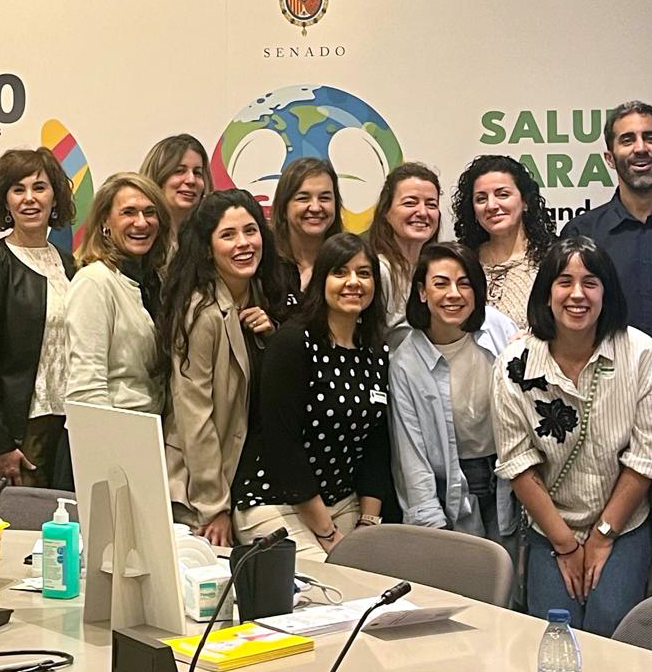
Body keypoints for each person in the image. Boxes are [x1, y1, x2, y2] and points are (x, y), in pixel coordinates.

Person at [493, 236, 652, 636]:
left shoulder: (640, 353)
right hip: (550, 524)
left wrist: (603, 537)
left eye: (590, 282)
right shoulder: (514, 364)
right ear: (546, 292)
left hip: (622, 524)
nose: (577, 294)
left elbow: (646, 457)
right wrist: (566, 544)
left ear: (607, 292)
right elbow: (518, 464)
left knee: (611, 626)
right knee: (555, 632)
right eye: (564, 282)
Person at [235, 233, 396, 558]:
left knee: (373, 578)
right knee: (331, 583)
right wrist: (327, 533)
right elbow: (282, 445)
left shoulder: (376, 352)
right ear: (322, 280)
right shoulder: (293, 343)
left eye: (364, 273)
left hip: (344, 504)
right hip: (277, 502)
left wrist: (368, 523)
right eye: (340, 272)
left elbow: (376, 446)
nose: (353, 282)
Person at [159, 190, 280, 547]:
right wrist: (214, 507)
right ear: (207, 248)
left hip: (244, 480)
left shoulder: (258, 295)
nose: (244, 243)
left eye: (251, 231)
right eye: (228, 235)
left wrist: (271, 335)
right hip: (198, 492)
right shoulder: (202, 312)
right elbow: (194, 416)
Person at [0, 147, 77, 489]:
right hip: (21, 434)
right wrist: (0, 444)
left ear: (55, 196)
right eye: (18, 189)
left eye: (39, 187)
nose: (29, 199)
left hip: (70, 425)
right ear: (5, 201)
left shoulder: (69, 264)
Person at [391, 242, 519, 546]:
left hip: (509, 475)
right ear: (422, 292)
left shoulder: (497, 327)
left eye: (464, 283)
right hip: (453, 482)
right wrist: (430, 524)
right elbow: (411, 453)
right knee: (466, 569)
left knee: (510, 571)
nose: (454, 294)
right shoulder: (405, 361)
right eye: (441, 284)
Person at [561, 100, 652, 339]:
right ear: (609, 158)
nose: (640, 148)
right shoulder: (581, 233)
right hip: (607, 361)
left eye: (650, 138)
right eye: (627, 140)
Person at [65, 173, 172, 412]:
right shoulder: (94, 281)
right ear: (105, 221)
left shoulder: (157, 282)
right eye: (128, 212)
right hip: (114, 428)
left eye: (150, 212)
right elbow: (86, 389)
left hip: (152, 425)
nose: (141, 222)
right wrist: (109, 435)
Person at [451, 154, 555, 333]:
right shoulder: (462, 261)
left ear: (525, 202)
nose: (491, 205)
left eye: (503, 194)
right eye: (481, 199)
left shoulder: (551, 261)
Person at [367, 162, 441, 348]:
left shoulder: (439, 271)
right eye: (410, 203)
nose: (422, 212)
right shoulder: (378, 272)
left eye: (431, 204)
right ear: (386, 212)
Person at [268, 158, 342, 314]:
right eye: (303, 198)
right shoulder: (265, 265)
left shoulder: (348, 263)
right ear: (283, 207)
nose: (315, 207)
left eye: (324, 198)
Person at [139, 133, 209, 236]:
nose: (191, 180)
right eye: (179, 171)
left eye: (197, 173)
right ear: (157, 177)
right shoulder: (139, 236)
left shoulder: (208, 238)